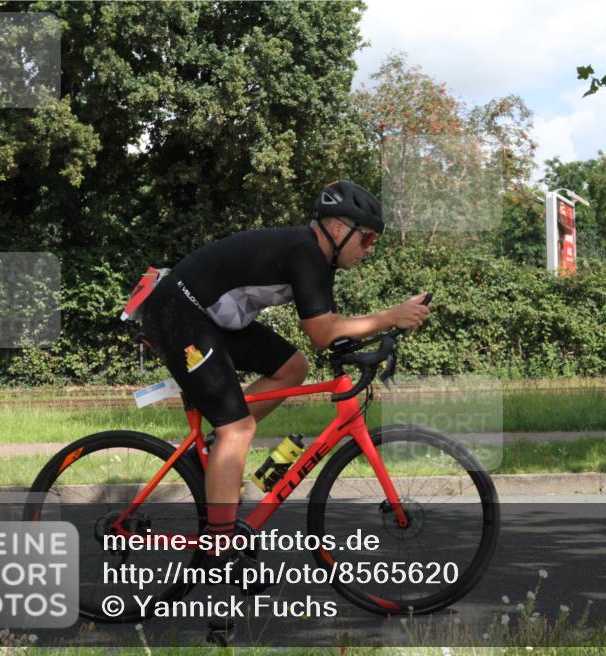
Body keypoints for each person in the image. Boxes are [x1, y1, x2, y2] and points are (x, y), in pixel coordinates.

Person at [140, 180, 431, 560]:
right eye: (367, 239)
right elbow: (324, 331)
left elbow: (325, 333)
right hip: (178, 313)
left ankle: (216, 450)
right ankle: (220, 551)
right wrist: (390, 316)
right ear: (339, 230)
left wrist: (371, 337)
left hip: (212, 318)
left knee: (293, 368)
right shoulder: (305, 253)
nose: (369, 249)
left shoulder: (317, 260)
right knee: (239, 428)